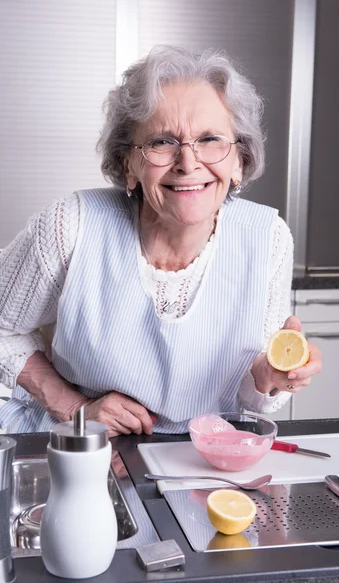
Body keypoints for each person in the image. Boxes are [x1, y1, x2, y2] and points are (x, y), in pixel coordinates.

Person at [0, 46, 322, 436]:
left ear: (238, 161)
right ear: (128, 165)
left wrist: (268, 374)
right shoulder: (71, 224)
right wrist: (75, 408)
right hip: (79, 446)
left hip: (200, 457)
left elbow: (253, 399)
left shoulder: (268, 239)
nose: (188, 163)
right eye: (162, 142)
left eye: (210, 139)